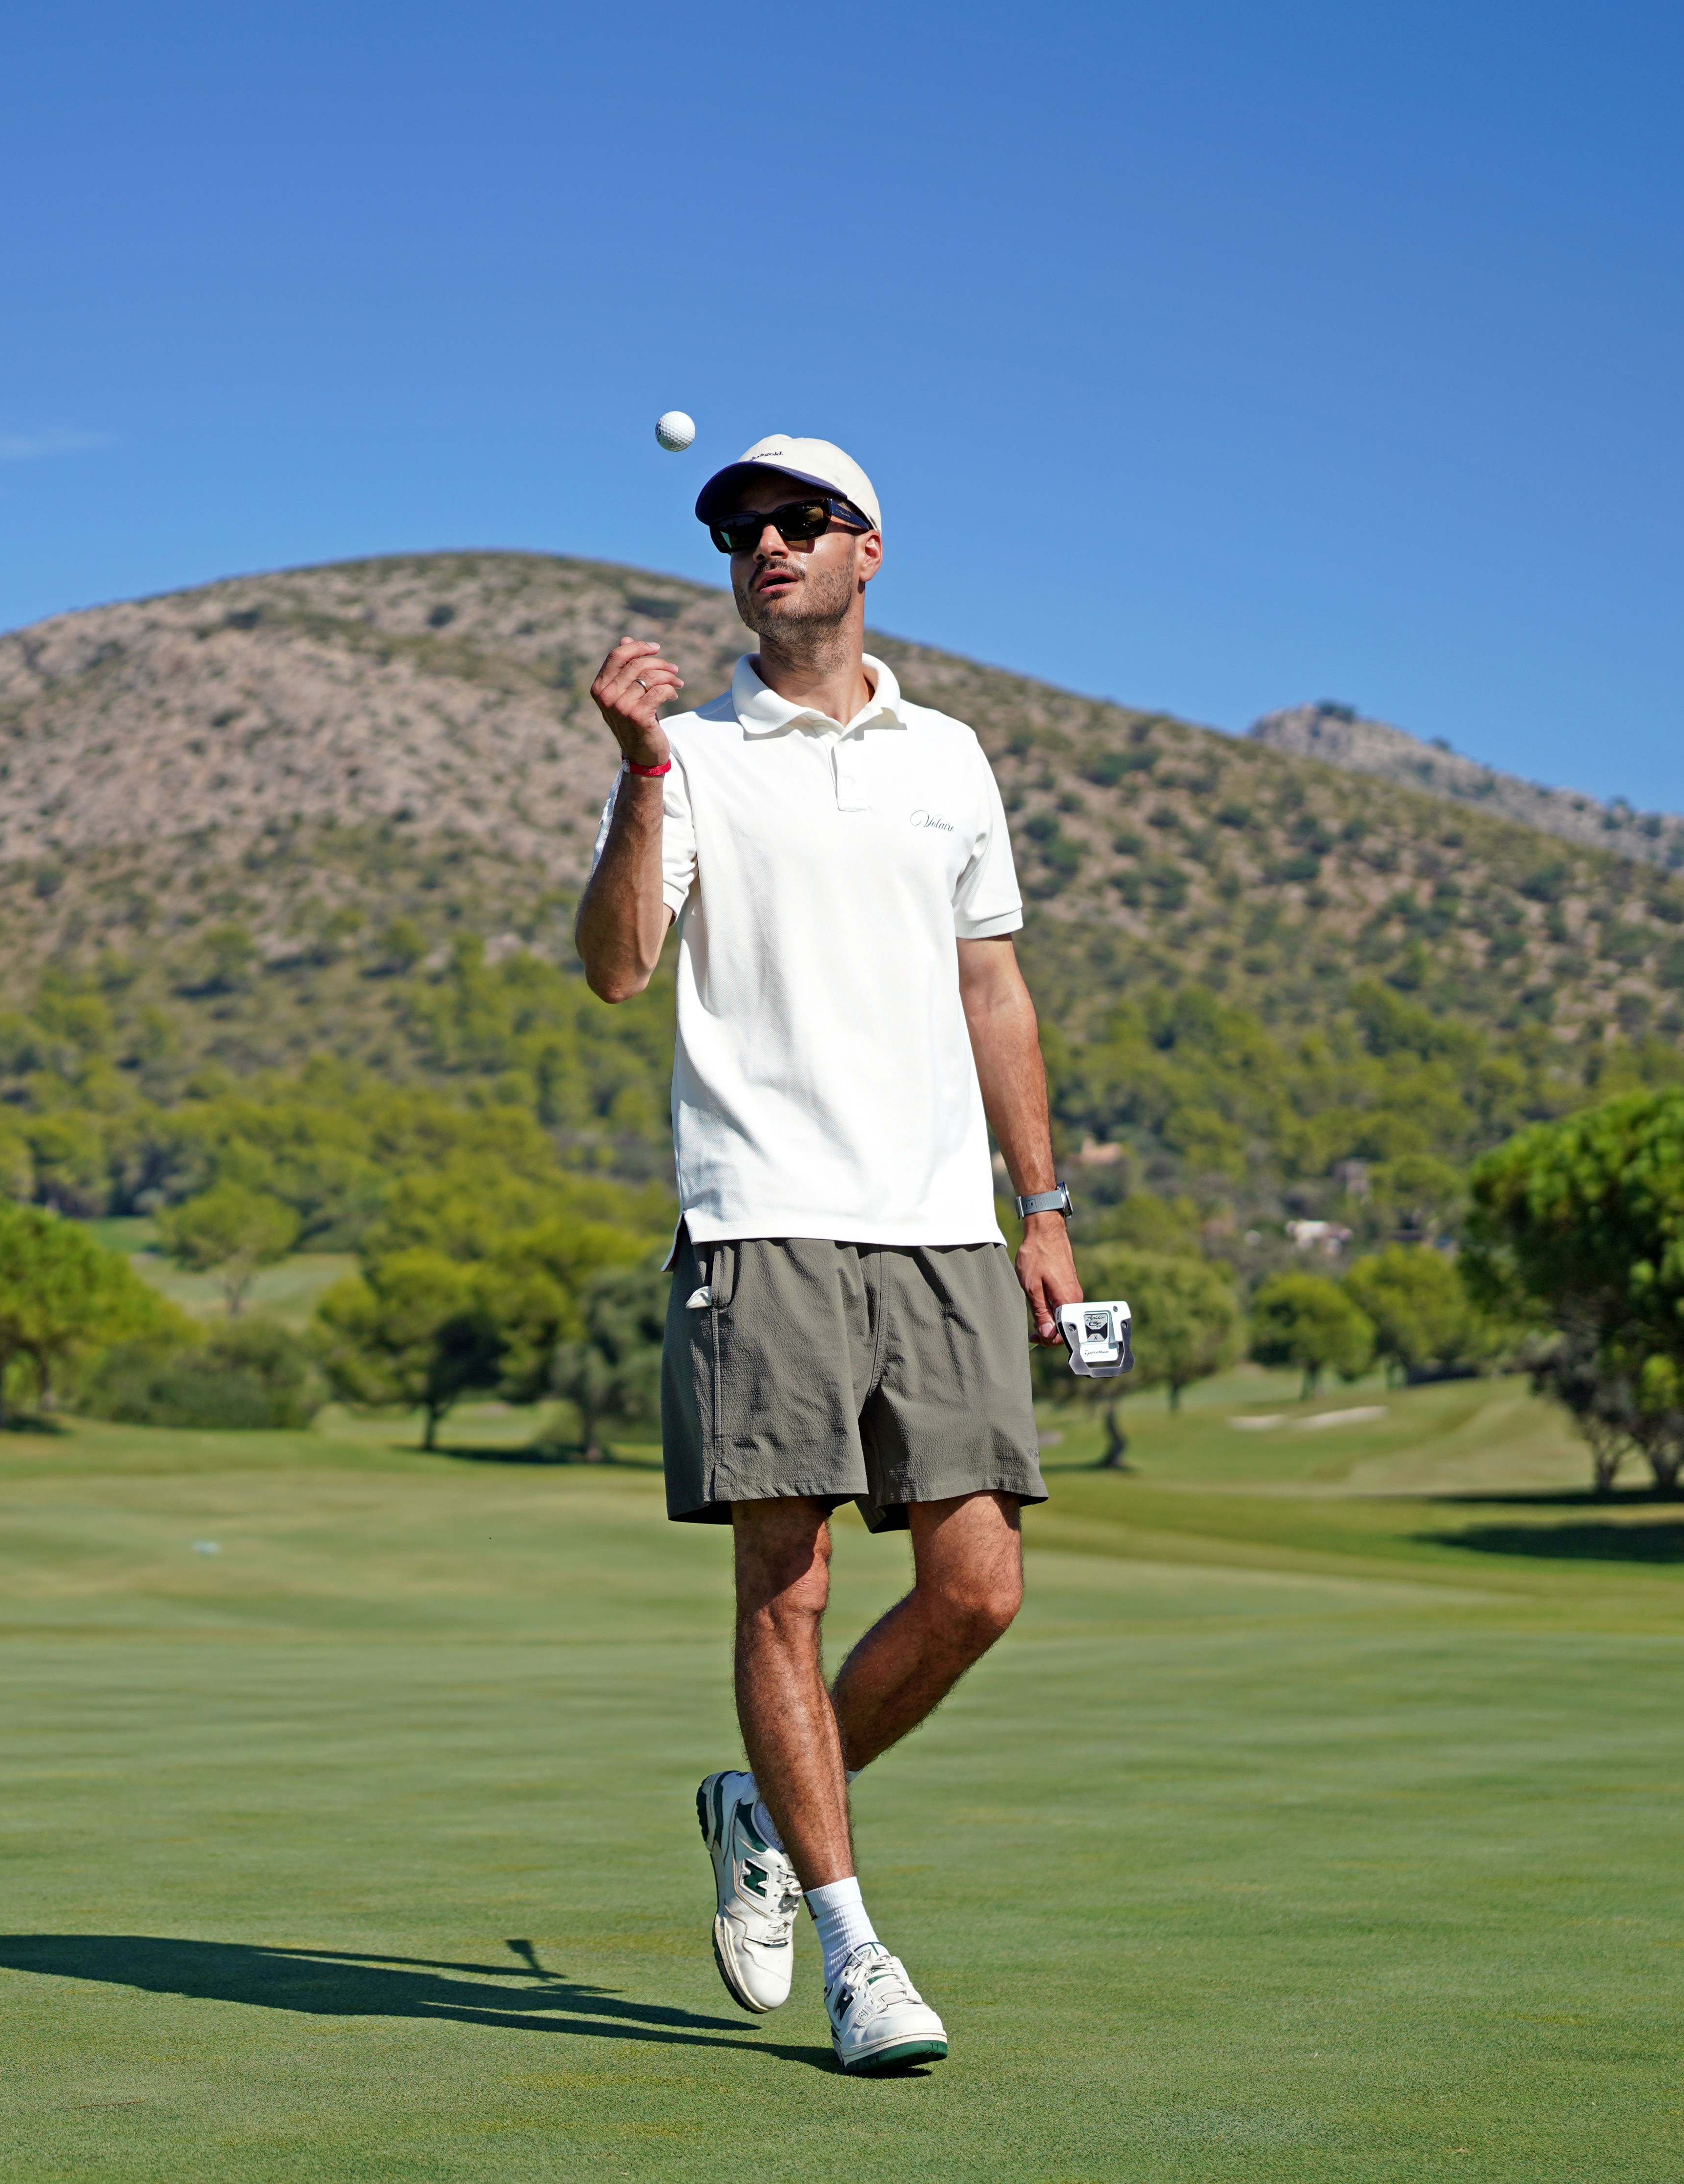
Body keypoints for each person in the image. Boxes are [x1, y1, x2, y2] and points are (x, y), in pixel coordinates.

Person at [575, 433, 1083, 2073]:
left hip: (941, 1225)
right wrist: (640, 776)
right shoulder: (698, 752)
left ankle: (762, 1807)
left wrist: (1044, 1205)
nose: (766, 544)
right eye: (740, 529)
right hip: (764, 1213)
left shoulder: (952, 755)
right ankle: (860, 1950)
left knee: (979, 1585)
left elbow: (992, 988)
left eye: (799, 522)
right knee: (785, 1590)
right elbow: (615, 966)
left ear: (872, 551)